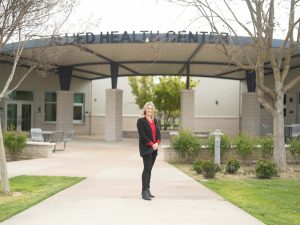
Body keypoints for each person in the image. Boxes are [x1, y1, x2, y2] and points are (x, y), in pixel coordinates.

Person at [137, 101, 161, 201]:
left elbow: (158, 134)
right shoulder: (141, 121)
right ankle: (143, 191)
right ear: (145, 110)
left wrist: (157, 143)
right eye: (148, 108)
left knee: (150, 169)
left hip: (154, 149)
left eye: (151, 109)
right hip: (146, 148)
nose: (150, 110)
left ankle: (148, 189)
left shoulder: (154, 121)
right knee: (146, 169)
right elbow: (143, 136)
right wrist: (152, 144)